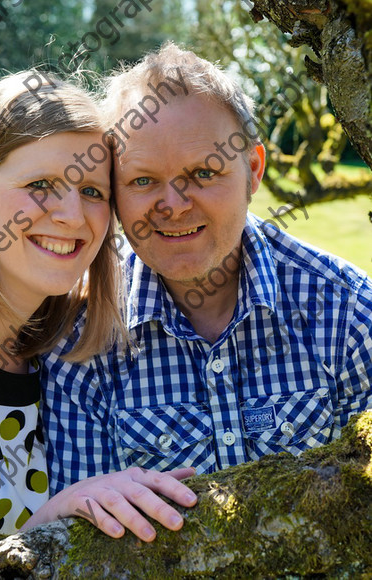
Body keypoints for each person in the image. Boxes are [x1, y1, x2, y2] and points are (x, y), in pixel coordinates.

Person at [42, 43, 372, 495]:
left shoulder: (347, 312)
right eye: (142, 180)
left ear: (253, 170)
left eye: (203, 173)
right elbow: (83, 545)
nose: (173, 206)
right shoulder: (80, 340)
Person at [0, 70, 197, 541]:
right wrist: (57, 516)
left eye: (92, 191)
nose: (70, 216)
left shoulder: (70, 338)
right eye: (40, 184)